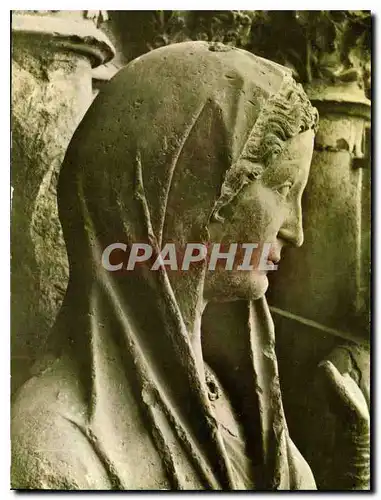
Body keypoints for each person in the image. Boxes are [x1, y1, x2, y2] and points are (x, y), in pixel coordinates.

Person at [12, 41, 362, 490]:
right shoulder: (56, 450)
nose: (294, 230)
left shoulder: (239, 408)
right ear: (185, 197)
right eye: (279, 186)